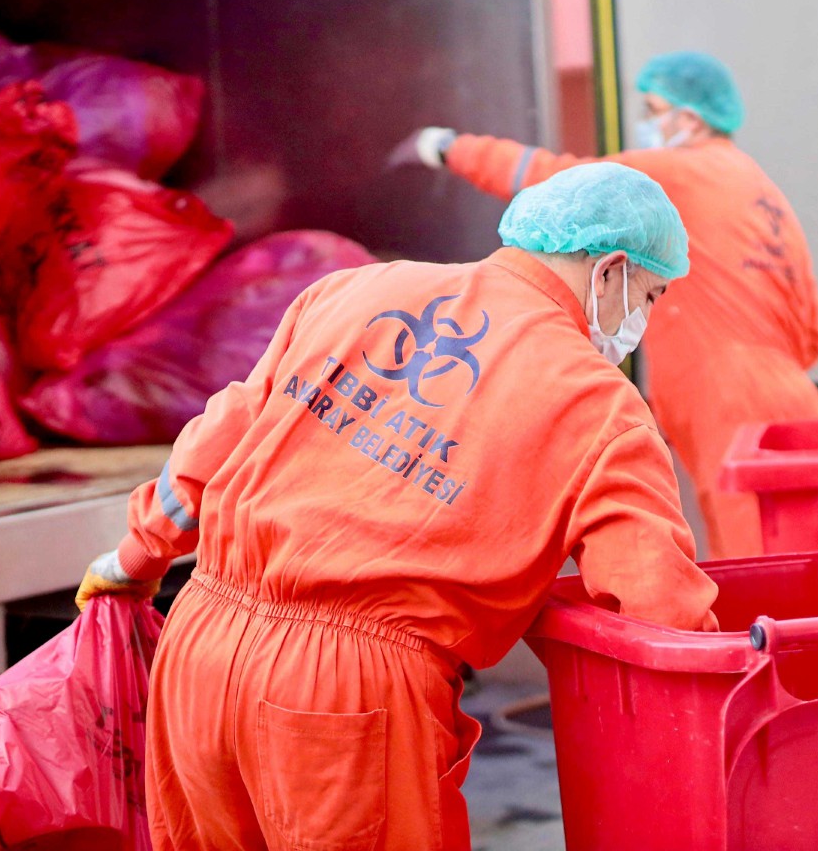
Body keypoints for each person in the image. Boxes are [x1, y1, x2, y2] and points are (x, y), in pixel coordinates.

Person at [77, 163, 718, 851]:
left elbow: (213, 442)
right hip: (345, 701)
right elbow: (659, 607)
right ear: (611, 270)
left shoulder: (354, 291)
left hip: (198, 644)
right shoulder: (599, 405)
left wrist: (135, 557)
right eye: (649, 296)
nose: (641, 322)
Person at [398, 51, 818, 558]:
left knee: (763, 580)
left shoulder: (675, 172)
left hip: (729, 405)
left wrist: (447, 147)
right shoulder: (761, 190)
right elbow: (811, 334)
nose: (647, 124)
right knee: (814, 565)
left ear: (688, 118)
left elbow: (555, 182)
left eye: (652, 109)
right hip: (796, 399)